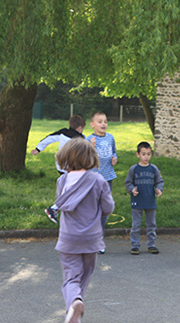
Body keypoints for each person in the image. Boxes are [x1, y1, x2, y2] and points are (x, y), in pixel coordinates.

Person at [52, 138, 115, 323]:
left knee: (71, 277)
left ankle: (74, 303)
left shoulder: (62, 180)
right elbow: (108, 207)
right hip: (91, 238)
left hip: (68, 238)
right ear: (91, 158)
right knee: (84, 276)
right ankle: (75, 307)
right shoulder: (98, 180)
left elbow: (61, 203)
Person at [31, 115, 85, 223]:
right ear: (79, 128)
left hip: (60, 165)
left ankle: (69, 211)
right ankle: (54, 208)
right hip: (71, 167)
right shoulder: (80, 138)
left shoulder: (63, 132)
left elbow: (49, 138)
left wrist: (38, 149)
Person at [123, 141, 164, 255]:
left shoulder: (153, 169)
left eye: (149, 154)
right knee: (136, 225)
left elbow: (159, 181)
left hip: (150, 201)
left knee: (151, 225)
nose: (146, 157)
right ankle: (135, 245)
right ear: (138, 155)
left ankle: (151, 245)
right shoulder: (133, 169)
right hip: (137, 201)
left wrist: (159, 189)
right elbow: (128, 182)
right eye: (143, 154)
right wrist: (132, 190)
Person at [86, 111, 117, 254]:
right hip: (93, 179)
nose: (103, 124)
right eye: (100, 121)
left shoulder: (110, 138)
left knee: (104, 210)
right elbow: (86, 161)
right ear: (92, 124)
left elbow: (114, 152)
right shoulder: (88, 140)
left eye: (105, 121)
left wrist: (114, 158)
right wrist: (91, 147)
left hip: (107, 178)